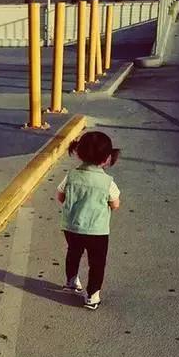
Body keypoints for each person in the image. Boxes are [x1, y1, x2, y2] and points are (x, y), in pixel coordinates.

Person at [56, 132, 121, 310]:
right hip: (97, 230)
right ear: (107, 159)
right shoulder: (107, 182)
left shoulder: (71, 176)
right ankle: (92, 295)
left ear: (78, 153)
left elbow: (60, 196)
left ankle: (71, 282)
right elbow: (115, 204)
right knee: (96, 262)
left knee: (73, 253)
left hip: (72, 226)